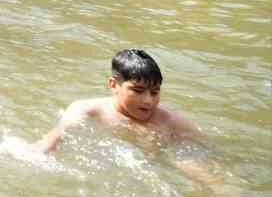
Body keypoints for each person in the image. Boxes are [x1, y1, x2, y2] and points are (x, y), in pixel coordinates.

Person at [32, 49, 205, 154]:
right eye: (137, 91)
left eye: (155, 92)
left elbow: (206, 149)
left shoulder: (168, 120)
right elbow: (51, 141)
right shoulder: (88, 111)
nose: (148, 100)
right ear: (114, 85)